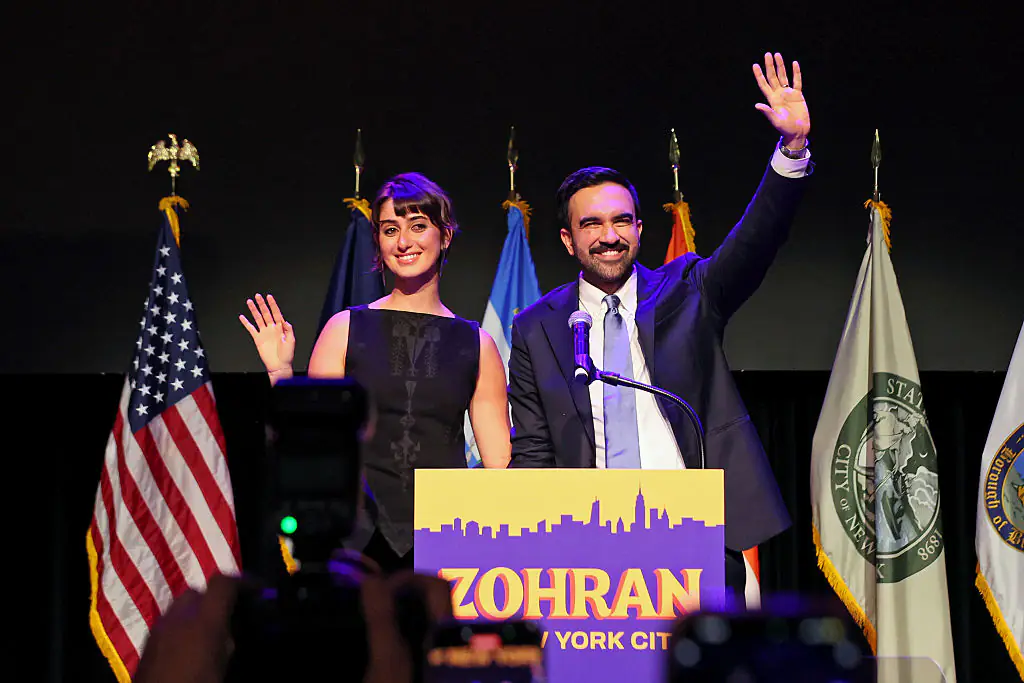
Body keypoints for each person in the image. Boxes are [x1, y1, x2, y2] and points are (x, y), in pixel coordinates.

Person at [506, 52, 813, 600]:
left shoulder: (689, 289)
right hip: (588, 553)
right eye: (591, 224)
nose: (608, 235)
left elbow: (756, 242)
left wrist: (790, 151)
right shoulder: (537, 328)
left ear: (640, 229)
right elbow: (532, 452)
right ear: (568, 240)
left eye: (621, 220)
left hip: (696, 535)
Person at [240, 173, 511, 573]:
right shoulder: (345, 329)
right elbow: (313, 439)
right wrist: (281, 371)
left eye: (418, 226)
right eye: (390, 229)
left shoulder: (478, 344)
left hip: (445, 544)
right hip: (355, 541)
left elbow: (499, 467)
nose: (404, 242)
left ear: (445, 235)